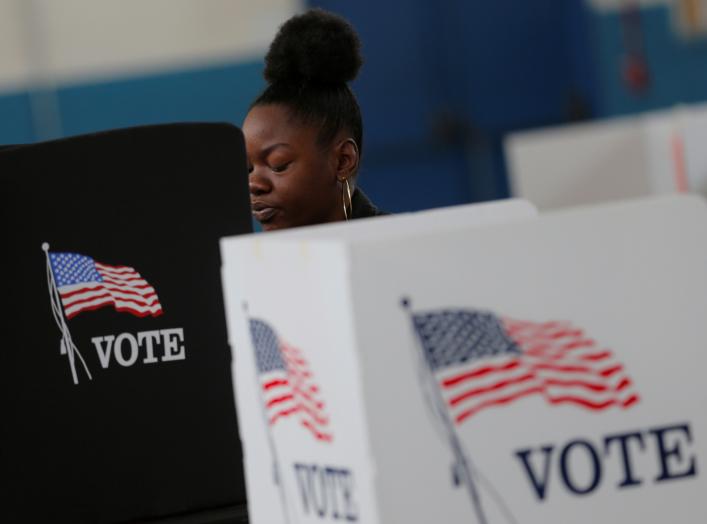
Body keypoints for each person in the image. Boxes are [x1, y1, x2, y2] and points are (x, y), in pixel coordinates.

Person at [243, 8, 386, 231]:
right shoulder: (257, 261)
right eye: (247, 168)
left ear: (342, 161)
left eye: (278, 165)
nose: (254, 184)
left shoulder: (390, 246)